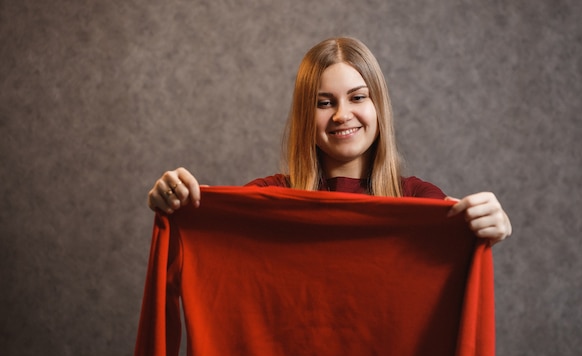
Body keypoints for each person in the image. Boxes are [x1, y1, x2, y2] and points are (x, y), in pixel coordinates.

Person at [147, 37, 512, 245]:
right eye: (324, 103)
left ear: (378, 106)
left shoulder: (419, 201)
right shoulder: (271, 197)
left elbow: (456, 248)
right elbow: (215, 229)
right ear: (307, 116)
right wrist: (179, 198)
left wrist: (489, 226)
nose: (341, 115)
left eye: (357, 97)